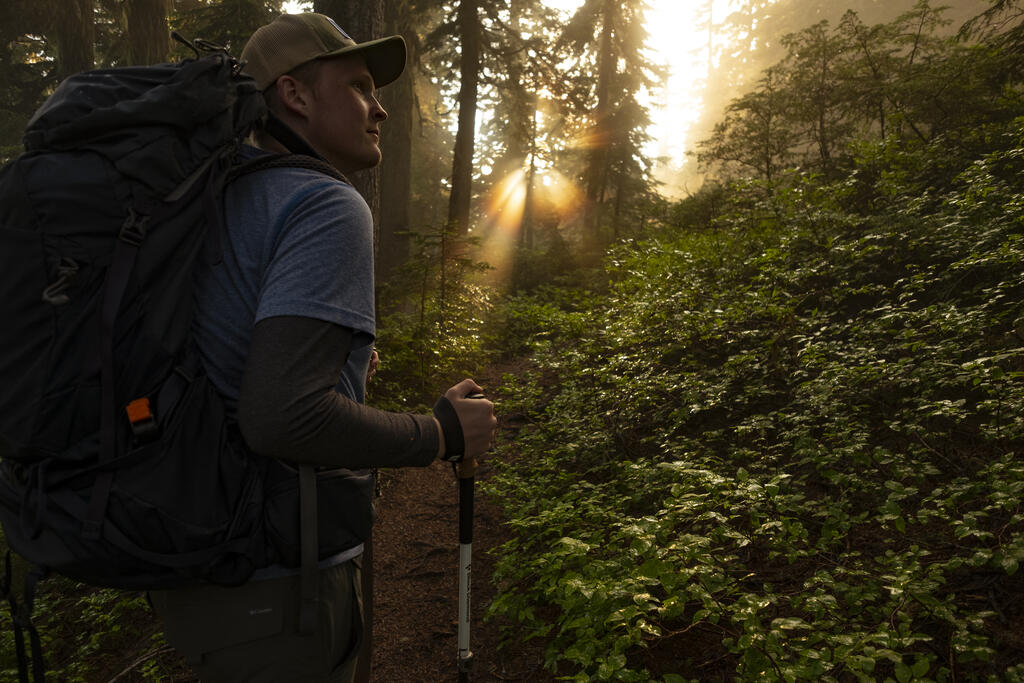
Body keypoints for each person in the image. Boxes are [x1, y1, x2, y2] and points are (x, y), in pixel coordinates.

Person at [147, 12, 497, 682]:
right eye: (360, 87)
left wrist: (333, 369)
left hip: (205, 569)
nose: (380, 109)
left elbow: (227, 356)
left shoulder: (220, 195)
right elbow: (282, 415)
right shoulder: (323, 204)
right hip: (280, 585)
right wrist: (441, 434)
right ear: (294, 95)